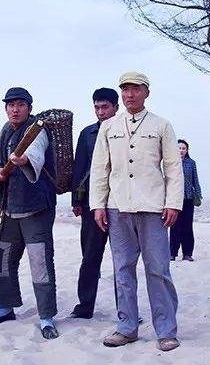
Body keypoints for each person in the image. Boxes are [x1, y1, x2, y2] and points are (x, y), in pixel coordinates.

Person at [90, 71, 184, 352]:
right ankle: (127, 327)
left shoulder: (161, 125)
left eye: (136, 89)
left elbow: (173, 167)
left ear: (146, 92)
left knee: (158, 270)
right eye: (125, 89)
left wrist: (173, 203)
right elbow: (100, 168)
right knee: (122, 270)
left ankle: (166, 330)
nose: (130, 94)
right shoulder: (109, 127)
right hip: (117, 207)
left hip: (153, 208)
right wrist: (98, 205)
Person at [0, 87, 60, 339]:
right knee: (4, 259)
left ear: (29, 107)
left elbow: (35, 152)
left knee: (40, 262)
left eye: (20, 104)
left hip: (36, 208)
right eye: (11, 105)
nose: (15, 109)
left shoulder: (37, 129)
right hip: (9, 208)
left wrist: (25, 160)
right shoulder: (5, 130)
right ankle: (5, 307)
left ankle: (46, 317)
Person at [69, 87, 120, 319]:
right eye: (97, 107)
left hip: (120, 203)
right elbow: (79, 166)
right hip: (92, 204)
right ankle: (85, 306)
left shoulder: (125, 131)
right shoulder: (87, 133)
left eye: (105, 107)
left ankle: (125, 308)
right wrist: (76, 200)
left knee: (122, 260)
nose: (101, 112)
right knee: (90, 256)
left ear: (116, 107)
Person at [169, 139, 202, 262]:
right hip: (174, 199)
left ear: (187, 150)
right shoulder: (170, 162)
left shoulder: (191, 163)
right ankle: (172, 253)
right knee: (174, 226)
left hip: (188, 198)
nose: (181, 150)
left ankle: (187, 253)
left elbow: (195, 180)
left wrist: (198, 194)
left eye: (183, 148)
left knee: (187, 227)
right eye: (179, 148)